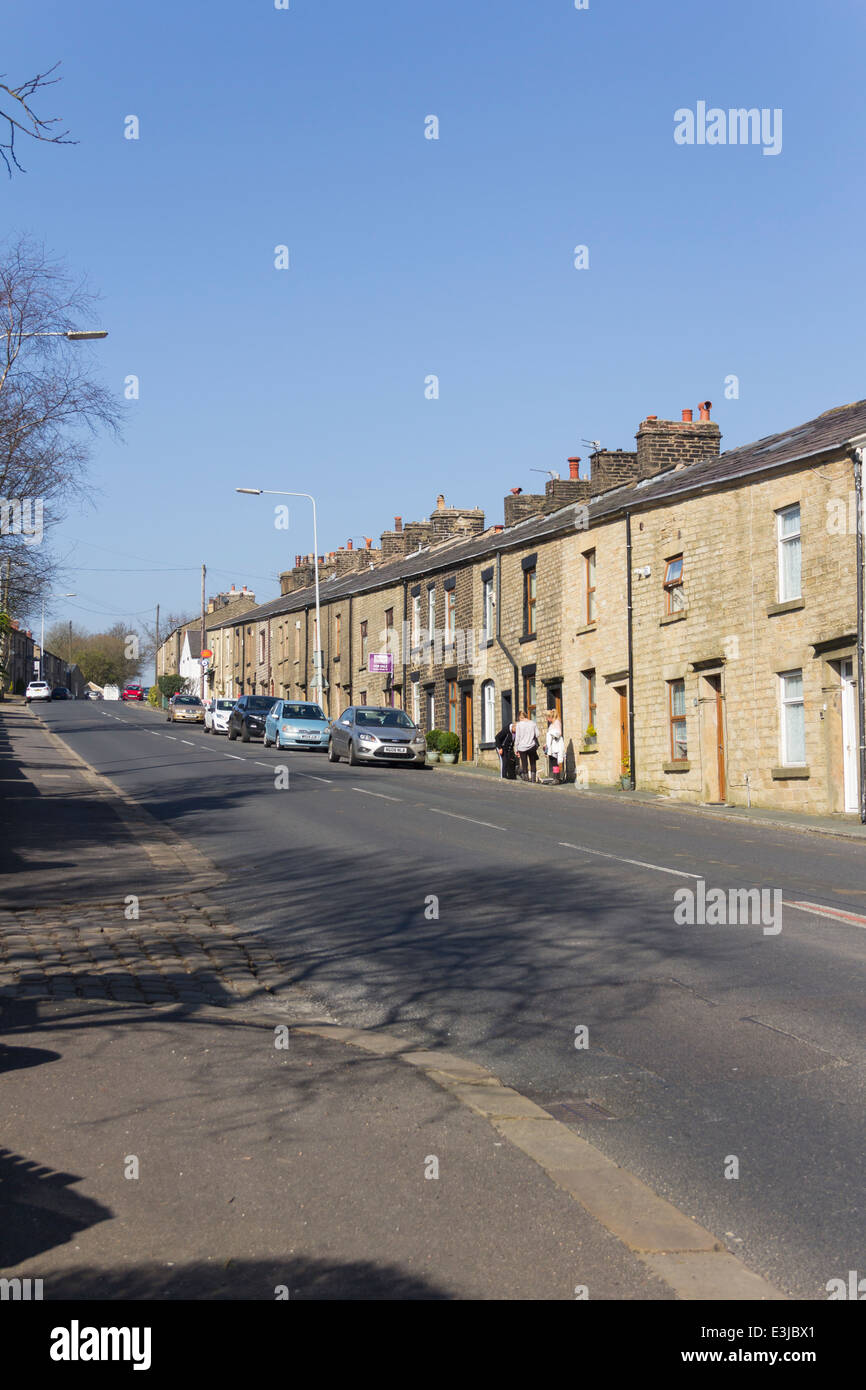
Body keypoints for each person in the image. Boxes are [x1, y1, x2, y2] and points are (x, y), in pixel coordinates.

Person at [513, 709, 542, 783]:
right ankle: (533, 780)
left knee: (524, 763)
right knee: (533, 763)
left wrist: (516, 749)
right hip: (531, 746)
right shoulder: (532, 723)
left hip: (522, 747)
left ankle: (526, 780)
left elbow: (517, 738)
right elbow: (538, 734)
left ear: (519, 717)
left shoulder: (519, 725)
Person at [544, 709, 565, 784]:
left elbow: (559, 733)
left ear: (550, 717)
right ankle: (555, 778)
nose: (546, 719)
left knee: (555, 762)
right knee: (553, 762)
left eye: (547, 717)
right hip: (552, 746)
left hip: (556, 745)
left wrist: (551, 734)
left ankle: (557, 778)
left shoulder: (557, 722)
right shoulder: (552, 724)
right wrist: (546, 744)